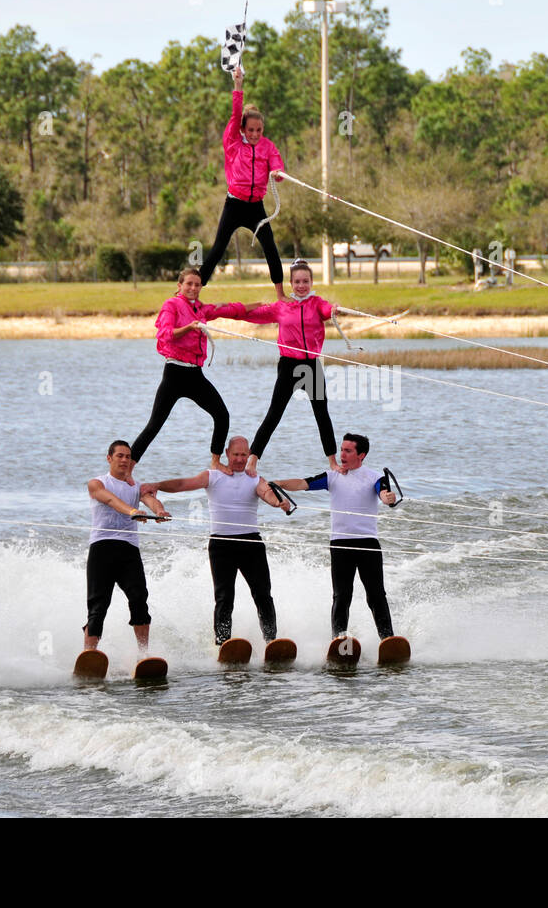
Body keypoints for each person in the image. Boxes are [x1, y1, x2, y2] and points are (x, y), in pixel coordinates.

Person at [141, 436, 292, 646]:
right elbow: (184, 484)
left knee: (263, 595)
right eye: (236, 454)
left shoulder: (254, 478)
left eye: (244, 455)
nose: (240, 459)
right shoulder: (212, 476)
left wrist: (279, 503)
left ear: (249, 455)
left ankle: (271, 641)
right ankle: (223, 644)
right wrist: (157, 485)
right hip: (221, 545)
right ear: (227, 454)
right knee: (224, 598)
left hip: (251, 543)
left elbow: (267, 493)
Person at [129, 268, 255, 474]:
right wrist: (189, 327)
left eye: (197, 285)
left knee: (222, 415)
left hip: (195, 375)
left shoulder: (201, 309)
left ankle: (215, 462)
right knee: (154, 425)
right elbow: (166, 334)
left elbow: (230, 310)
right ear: (179, 286)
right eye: (189, 284)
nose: (193, 288)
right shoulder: (171, 305)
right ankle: (128, 468)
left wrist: (266, 306)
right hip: (174, 374)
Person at [275, 433, 399, 642]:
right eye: (341, 449)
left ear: (361, 455)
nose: (342, 454)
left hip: (367, 543)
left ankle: (388, 640)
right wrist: (279, 483)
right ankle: (338, 639)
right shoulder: (333, 476)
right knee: (341, 596)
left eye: (348, 451)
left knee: (376, 595)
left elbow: (384, 493)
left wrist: (388, 498)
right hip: (340, 544)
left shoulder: (374, 477)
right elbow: (304, 483)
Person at [239, 259, 340, 476]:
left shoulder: (317, 303)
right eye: (297, 282)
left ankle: (333, 462)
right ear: (291, 283)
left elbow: (326, 310)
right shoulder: (282, 306)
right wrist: (228, 311)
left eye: (305, 281)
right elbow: (253, 316)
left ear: (311, 282)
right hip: (288, 366)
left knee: (322, 414)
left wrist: (333, 310)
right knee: (274, 414)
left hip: (312, 366)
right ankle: (253, 460)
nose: (301, 285)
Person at [197, 65, 286, 298]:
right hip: (234, 205)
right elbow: (236, 113)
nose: (256, 134)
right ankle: (195, 290)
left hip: (256, 207)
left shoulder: (268, 146)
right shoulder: (234, 142)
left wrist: (278, 171)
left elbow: (276, 161)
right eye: (251, 130)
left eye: (259, 130)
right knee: (218, 248)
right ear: (243, 129)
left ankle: (280, 294)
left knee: (270, 247)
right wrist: (238, 85)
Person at [84, 440, 171, 657]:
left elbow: (151, 500)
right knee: (98, 606)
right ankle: (89, 654)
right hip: (102, 548)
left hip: (129, 551)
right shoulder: (97, 483)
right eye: (119, 456)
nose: (124, 460)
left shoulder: (136, 487)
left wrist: (159, 511)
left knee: (139, 599)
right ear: (109, 458)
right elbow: (111, 500)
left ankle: (144, 655)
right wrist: (133, 511)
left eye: (127, 457)